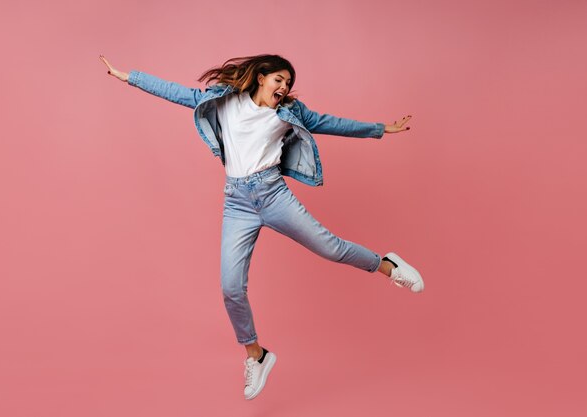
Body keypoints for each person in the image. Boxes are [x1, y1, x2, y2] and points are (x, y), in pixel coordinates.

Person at [99, 53, 425, 400]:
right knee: (230, 287)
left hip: (273, 195)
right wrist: (128, 76)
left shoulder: (287, 113)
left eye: (288, 84)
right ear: (260, 77)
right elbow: (176, 92)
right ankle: (257, 355)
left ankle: (388, 266)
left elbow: (330, 122)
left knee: (330, 247)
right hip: (237, 201)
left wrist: (380, 129)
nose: (284, 87)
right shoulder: (224, 100)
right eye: (279, 80)